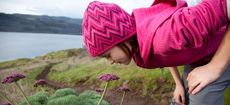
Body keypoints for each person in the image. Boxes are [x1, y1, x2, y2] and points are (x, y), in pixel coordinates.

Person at [82, 0, 230, 105]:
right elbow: (165, 56)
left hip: (222, 50)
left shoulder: (169, 34)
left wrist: (215, 67)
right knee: (182, 98)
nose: (111, 62)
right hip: (199, 57)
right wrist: (178, 84)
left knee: (199, 97)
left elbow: (225, 5)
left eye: (108, 55)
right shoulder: (139, 45)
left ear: (119, 38)